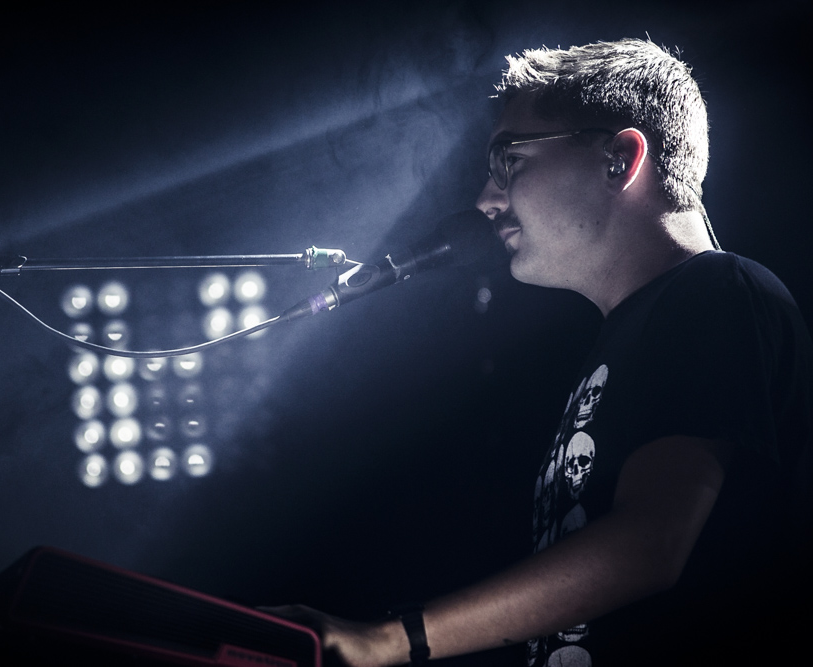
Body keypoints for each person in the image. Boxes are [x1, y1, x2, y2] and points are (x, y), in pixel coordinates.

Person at [268, 38, 812, 666]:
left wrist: (389, 640)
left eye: (510, 161)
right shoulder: (633, 335)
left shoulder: (718, 292)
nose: (487, 201)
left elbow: (648, 545)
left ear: (619, 158)